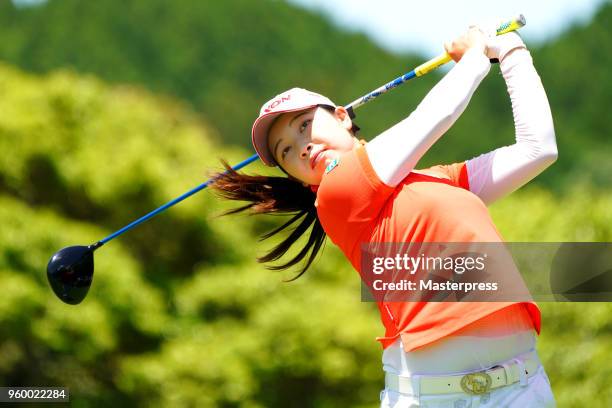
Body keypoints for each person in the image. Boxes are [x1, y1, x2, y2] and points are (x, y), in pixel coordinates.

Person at [212, 26, 558, 407]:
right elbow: (431, 117)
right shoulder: (336, 193)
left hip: (522, 390)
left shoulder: (439, 180)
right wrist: (476, 54)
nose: (304, 147)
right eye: (288, 152)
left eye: (305, 126)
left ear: (342, 116)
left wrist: (510, 51)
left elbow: (537, 149)